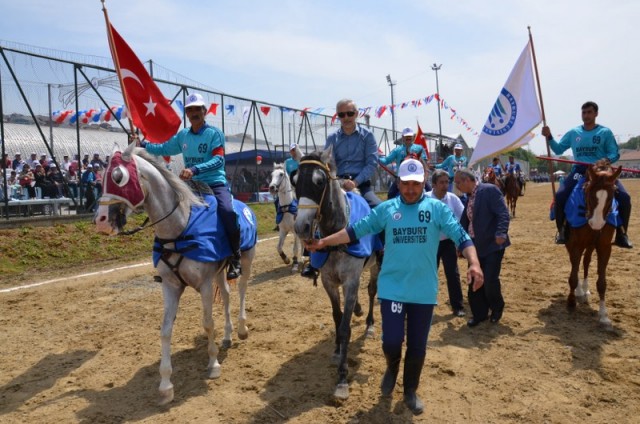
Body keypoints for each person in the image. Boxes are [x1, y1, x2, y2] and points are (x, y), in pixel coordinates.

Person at [305, 158, 483, 415]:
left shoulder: (438, 209)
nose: (410, 189)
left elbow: (462, 237)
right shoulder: (387, 209)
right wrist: (324, 244)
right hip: (392, 289)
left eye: (415, 184)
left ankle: (410, 390)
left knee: (418, 347)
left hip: (422, 291)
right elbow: (354, 231)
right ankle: (391, 366)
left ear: (423, 183)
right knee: (391, 341)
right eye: (405, 184)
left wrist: (474, 263)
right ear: (397, 183)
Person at [140, 92, 243, 280]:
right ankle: (166, 260)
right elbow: (163, 149)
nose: (194, 112)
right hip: (191, 185)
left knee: (227, 211)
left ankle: (235, 258)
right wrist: (143, 144)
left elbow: (219, 160)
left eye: (197, 109)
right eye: (190, 109)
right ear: (186, 113)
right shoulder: (183, 136)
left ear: (205, 111)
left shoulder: (214, 134)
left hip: (214, 182)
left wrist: (195, 169)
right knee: (168, 211)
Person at [302, 98, 382, 278]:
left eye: (350, 113)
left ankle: (380, 252)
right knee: (314, 210)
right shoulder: (332, 138)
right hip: (336, 184)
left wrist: (355, 182)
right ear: (338, 116)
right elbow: (326, 162)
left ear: (357, 114)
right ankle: (311, 259)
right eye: (341, 114)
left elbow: (372, 163)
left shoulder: (367, 136)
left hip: (360, 184)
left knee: (378, 209)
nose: (346, 117)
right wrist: (336, 182)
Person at [541, 101, 632, 248]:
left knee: (625, 197)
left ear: (596, 113)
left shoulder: (605, 132)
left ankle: (622, 234)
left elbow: (614, 153)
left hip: (602, 171)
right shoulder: (573, 133)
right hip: (580, 171)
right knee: (560, 196)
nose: (586, 115)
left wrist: (606, 160)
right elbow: (558, 150)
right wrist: (549, 136)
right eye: (584, 112)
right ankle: (562, 231)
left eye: (589, 112)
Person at [454, 168, 510, 327]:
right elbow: (466, 221)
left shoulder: (489, 190)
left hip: (493, 245)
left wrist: (501, 232)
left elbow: (503, 213)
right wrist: (461, 243)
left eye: (458, 182)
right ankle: (479, 314)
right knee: (474, 279)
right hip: (475, 246)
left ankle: (497, 308)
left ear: (466, 180)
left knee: (490, 280)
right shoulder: (469, 197)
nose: (457, 186)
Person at [426, 169, 466, 317]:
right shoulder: (425, 199)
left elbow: (463, 218)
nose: (445, 185)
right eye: (441, 182)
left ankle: (458, 306)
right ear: (434, 184)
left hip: (448, 242)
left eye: (447, 182)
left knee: (453, 274)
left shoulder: (453, 199)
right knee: (429, 274)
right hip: (430, 243)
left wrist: (460, 241)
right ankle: (426, 304)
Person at [379, 127, 431, 199]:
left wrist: (425, 177)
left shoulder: (419, 148)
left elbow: (424, 162)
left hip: (418, 176)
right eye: (406, 136)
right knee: (391, 195)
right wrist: (375, 157)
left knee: (430, 192)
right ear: (403, 137)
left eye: (410, 136)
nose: (408, 138)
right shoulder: (397, 150)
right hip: (401, 178)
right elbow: (385, 161)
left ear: (413, 137)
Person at [273, 143, 301, 231]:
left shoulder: (301, 161)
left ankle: (301, 219)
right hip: (289, 186)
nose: (293, 151)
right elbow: (285, 174)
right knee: (277, 200)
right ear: (290, 152)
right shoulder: (287, 162)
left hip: (299, 185)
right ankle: (280, 221)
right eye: (292, 150)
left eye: (294, 150)